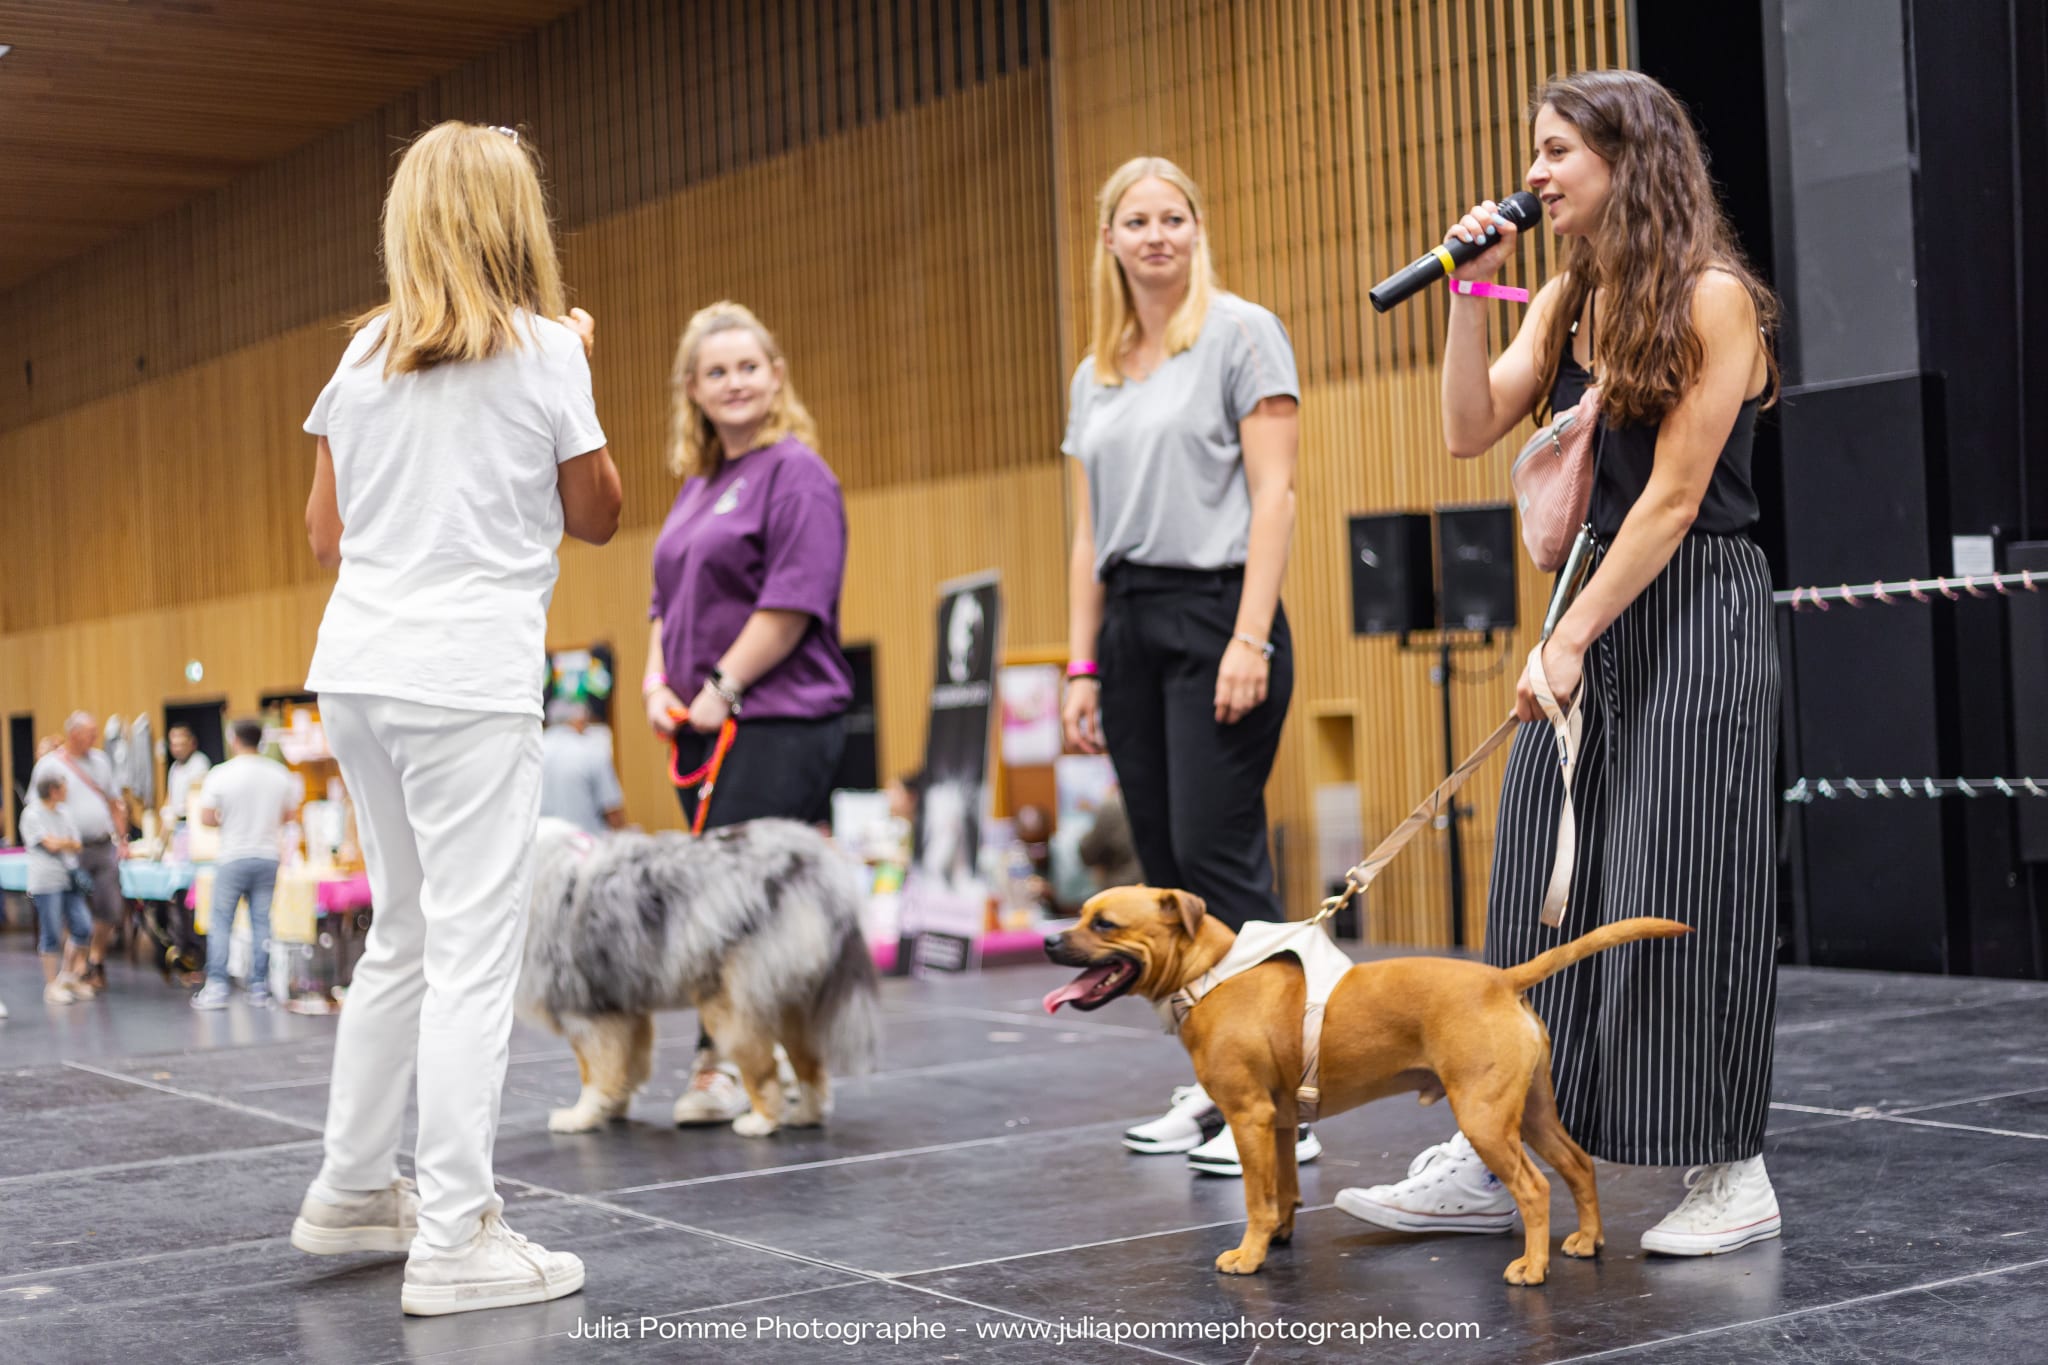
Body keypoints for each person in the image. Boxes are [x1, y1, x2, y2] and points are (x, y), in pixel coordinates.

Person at [1336, 69, 1783, 1259]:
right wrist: (1464, 291)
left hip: (1690, 602)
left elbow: (1676, 498)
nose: (1531, 174)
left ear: (1626, 158)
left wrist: (1568, 634)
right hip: (1588, 600)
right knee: (1535, 863)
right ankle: (1501, 1151)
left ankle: (1729, 1167)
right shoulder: (1568, 292)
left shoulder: (1713, 297)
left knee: (1681, 876)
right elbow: (1466, 425)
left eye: (1552, 153)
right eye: (1531, 154)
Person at [292, 121, 620, 1315]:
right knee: (473, 955)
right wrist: (579, 364)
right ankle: (455, 1235)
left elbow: (325, 535)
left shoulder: (364, 353)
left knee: (407, 936)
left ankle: (349, 1191)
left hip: (357, 671)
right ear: (513, 219)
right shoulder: (543, 350)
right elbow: (597, 512)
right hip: (466, 676)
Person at [1057, 155, 1306, 1180]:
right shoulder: (1097, 370)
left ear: (1196, 230)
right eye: (1134, 220)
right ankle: (1212, 1082)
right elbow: (1085, 536)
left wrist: (1248, 637)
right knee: (1160, 883)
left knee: (1219, 863)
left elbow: (1275, 497)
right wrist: (1079, 665)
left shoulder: (1242, 333)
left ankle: (1284, 1093)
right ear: (1108, 241)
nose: (1155, 234)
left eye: (1172, 218)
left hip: (1216, 614)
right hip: (1129, 627)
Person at [642, 300, 852, 1124]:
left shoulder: (795, 471)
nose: (734, 382)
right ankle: (778, 1065)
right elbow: (661, 601)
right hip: (702, 724)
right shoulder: (699, 486)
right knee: (739, 904)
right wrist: (659, 682)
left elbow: (793, 600)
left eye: (748, 366)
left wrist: (721, 687)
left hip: (778, 718)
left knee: (725, 905)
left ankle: (728, 1065)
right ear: (691, 389)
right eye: (716, 371)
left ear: (776, 376)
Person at [191, 718, 299, 1011]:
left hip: (233, 856)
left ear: (234, 739)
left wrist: (229, 820)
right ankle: (259, 987)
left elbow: (206, 817)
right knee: (262, 921)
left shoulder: (221, 774)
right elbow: (289, 815)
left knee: (222, 921)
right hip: (267, 856)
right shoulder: (279, 775)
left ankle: (216, 986)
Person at [31, 713, 128, 991]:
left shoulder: (100, 761)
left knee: (109, 907)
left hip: (101, 844)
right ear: (73, 734)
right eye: (90, 733)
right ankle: (75, 967)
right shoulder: (50, 765)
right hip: (69, 851)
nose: (95, 739)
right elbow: (37, 809)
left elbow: (114, 801)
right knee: (73, 911)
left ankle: (95, 959)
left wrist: (122, 839)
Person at [22, 773, 96, 1005]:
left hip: (69, 879)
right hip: (46, 881)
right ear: (53, 790)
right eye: (63, 788)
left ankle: (69, 976)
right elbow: (50, 845)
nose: (66, 792)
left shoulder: (64, 812)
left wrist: (60, 842)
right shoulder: (32, 814)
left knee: (83, 926)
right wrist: (63, 843)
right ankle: (50, 984)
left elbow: (76, 844)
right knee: (51, 931)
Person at [539, 700, 625, 835]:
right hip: (587, 848)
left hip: (542, 845)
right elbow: (612, 809)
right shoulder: (592, 750)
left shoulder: (533, 751)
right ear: (578, 720)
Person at [163, 725, 212, 831]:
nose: (178, 749)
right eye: (174, 745)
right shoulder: (175, 766)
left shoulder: (199, 762)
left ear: (192, 743)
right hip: (176, 824)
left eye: (181, 745)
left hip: (192, 822)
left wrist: (178, 812)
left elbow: (197, 795)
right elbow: (170, 796)